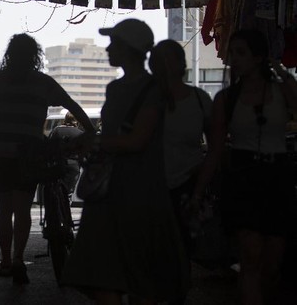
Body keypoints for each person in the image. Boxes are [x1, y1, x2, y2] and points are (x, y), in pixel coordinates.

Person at [62, 19, 189, 304]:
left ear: (128, 48)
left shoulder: (151, 89)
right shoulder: (119, 88)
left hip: (137, 189)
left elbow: (137, 140)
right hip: (121, 187)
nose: (108, 48)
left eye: (114, 43)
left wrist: (92, 142)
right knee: (112, 271)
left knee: (131, 271)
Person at [191, 29, 297, 305]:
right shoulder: (226, 99)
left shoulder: (279, 89)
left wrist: (281, 72)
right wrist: (198, 191)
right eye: (232, 53)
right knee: (251, 256)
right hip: (243, 176)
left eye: (241, 52)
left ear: (258, 56)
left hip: (277, 176)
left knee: (273, 263)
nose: (234, 59)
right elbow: (214, 149)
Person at [0, 33, 95, 285]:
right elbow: (71, 104)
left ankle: (6, 262)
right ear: (35, 56)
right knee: (22, 208)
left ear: (9, 54)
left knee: (4, 209)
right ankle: (19, 259)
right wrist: (90, 130)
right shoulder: (42, 82)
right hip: (27, 151)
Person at [149, 39, 212, 304]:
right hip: (149, 188)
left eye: (168, 58)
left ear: (180, 63)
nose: (164, 63)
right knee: (151, 253)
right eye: (159, 58)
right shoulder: (145, 98)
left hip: (188, 186)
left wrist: (200, 189)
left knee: (183, 251)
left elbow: (216, 145)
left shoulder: (199, 99)